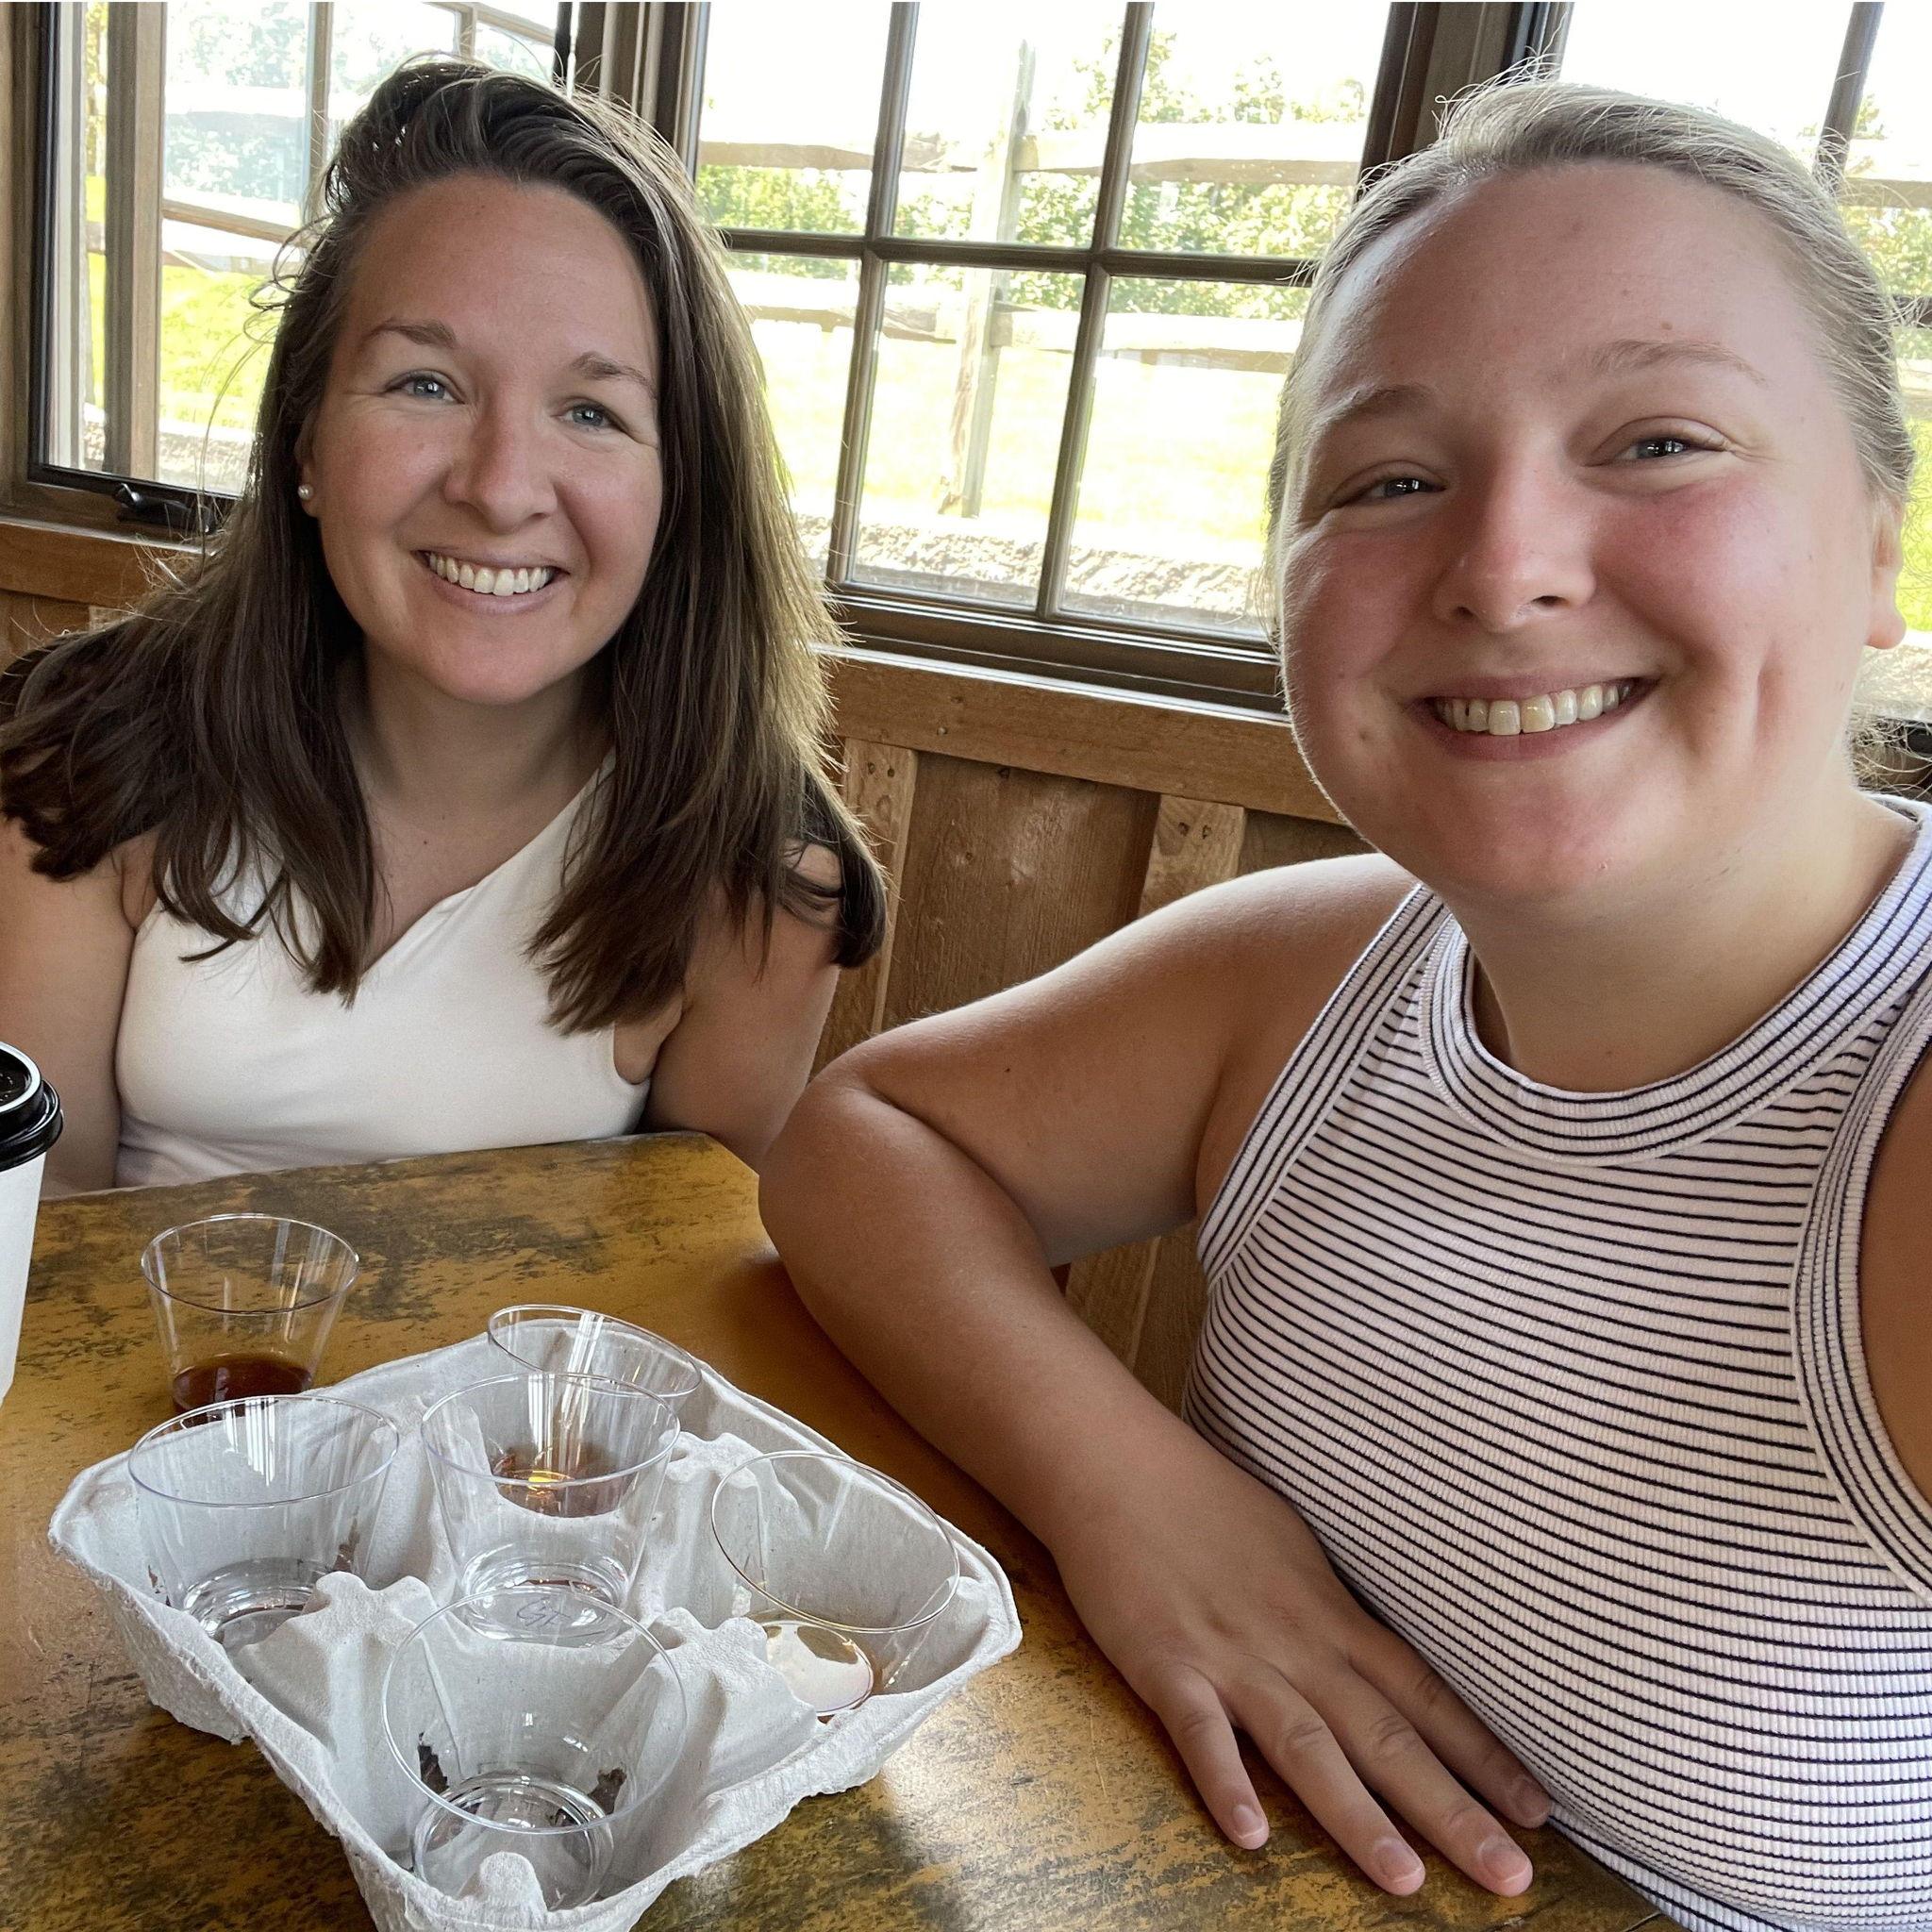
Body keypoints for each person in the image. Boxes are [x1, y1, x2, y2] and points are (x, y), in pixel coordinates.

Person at [760, 80, 1932, 1932]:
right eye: (1391, 478)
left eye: (1657, 440)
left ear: (1878, 542)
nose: (1501, 565)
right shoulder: (1321, 962)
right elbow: (868, 1139)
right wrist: (1139, 1497)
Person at [0, 61, 881, 1193]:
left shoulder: (757, 878)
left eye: (589, 410)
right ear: (308, 444)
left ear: (681, 491)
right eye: (425, 384)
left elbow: (684, 1300)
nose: (501, 486)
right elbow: (32, 1226)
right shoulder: (88, 746)